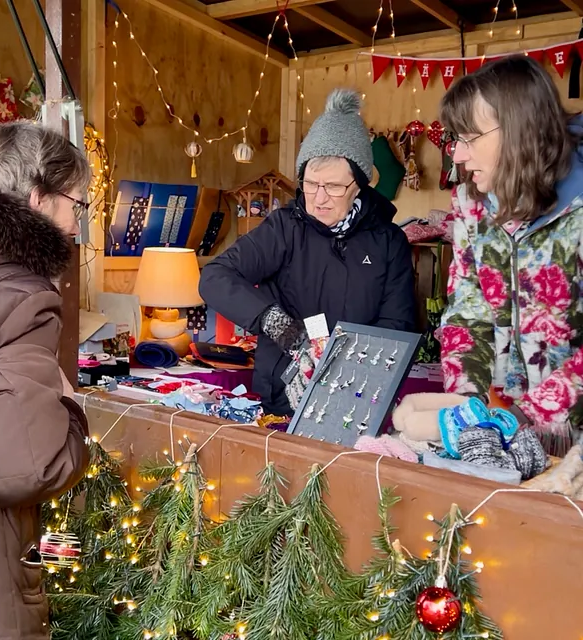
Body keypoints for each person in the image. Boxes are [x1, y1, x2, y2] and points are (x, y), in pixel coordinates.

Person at [0, 121, 91, 639]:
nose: (76, 225)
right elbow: (20, 468)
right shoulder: (23, 298)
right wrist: (72, 412)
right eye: (77, 204)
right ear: (37, 200)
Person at [398, 55, 583, 458]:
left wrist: (521, 416)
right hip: (506, 433)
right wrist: (465, 409)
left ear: (519, 132)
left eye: (470, 138)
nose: (458, 156)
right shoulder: (470, 203)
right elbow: (469, 310)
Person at [200, 89, 416, 416]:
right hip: (283, 394)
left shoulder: (389, 243)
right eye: (311, 184)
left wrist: (347, 371)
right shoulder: (285, 228)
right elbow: (215, 277)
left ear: (359, 185)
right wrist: (275, 323)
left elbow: (396, 327)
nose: (319, 198)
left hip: (355, 402)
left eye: (333, 186)